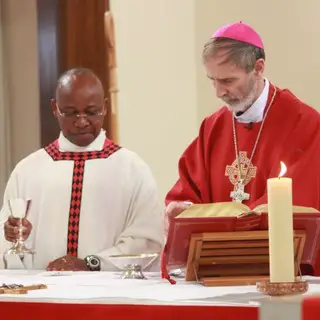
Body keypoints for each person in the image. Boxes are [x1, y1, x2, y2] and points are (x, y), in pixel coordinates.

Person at [0, 68, 164, 271]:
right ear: (54, 107)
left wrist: (92, 264)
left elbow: (146, 242)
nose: (81, 121)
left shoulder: (133, 169)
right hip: (45, 296)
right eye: (69, 113)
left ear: (104, 107)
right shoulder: (27, 171)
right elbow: (7, 245)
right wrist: (9, 234)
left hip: (110, 297)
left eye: (91, 111)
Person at [165, 22, 320, 235]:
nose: (219, 93)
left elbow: (301, 201)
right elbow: (187, 191)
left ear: (258, 68)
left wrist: (235, 224)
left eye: (228, 81)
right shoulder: (213, 127)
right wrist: (181, 209)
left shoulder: (304, 124)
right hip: (217, 260)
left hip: (274, 260)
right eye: (213, 80)